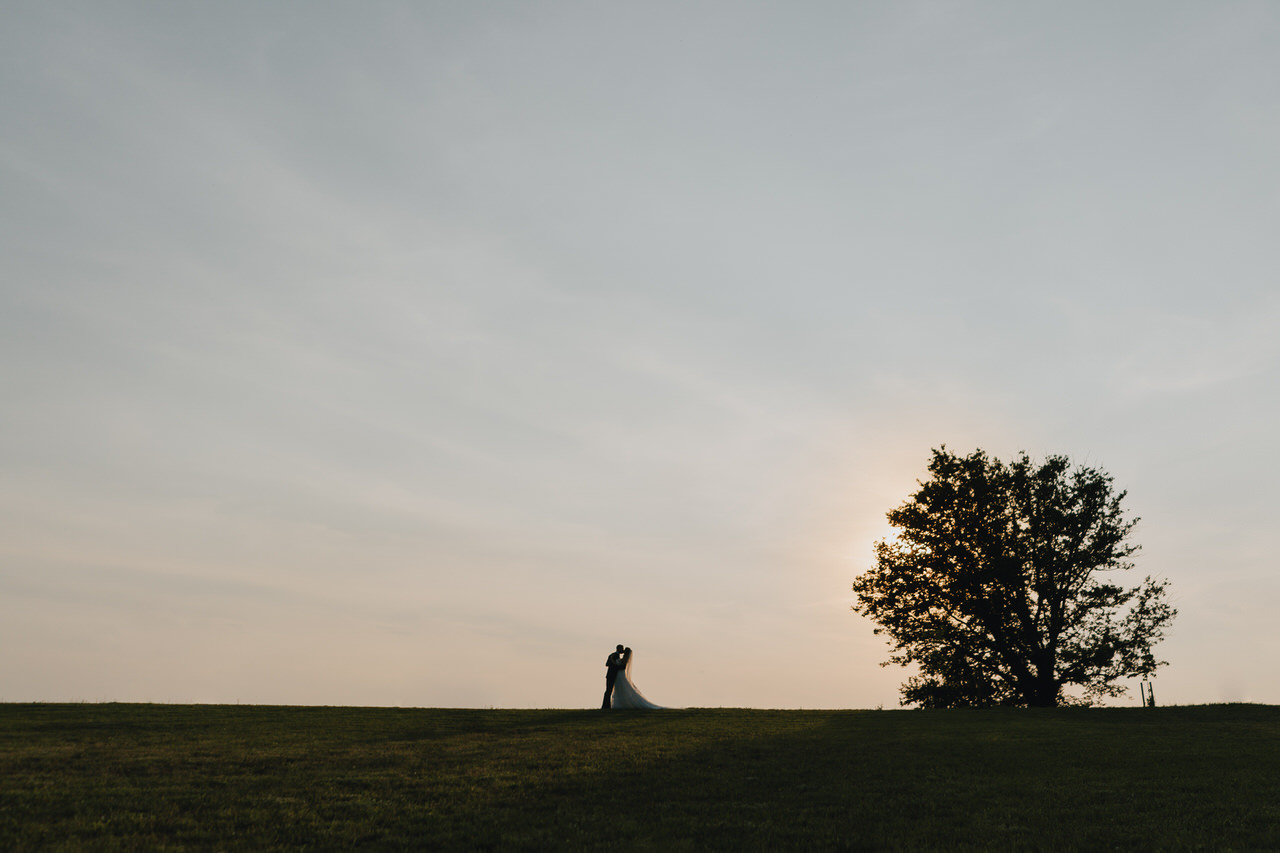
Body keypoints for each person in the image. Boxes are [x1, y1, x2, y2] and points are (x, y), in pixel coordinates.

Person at [602, 644, 664, 710]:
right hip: (612, 675)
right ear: (618, 649)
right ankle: (606, 706)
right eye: (621, 649)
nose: (622, 650)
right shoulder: (614, 656)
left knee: (610, 690)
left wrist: (615, 663)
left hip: (616, 676)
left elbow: (621, 667)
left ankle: (607, 706)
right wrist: (615, 664)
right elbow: (608, 664)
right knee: (609, 690)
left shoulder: (615, 656)